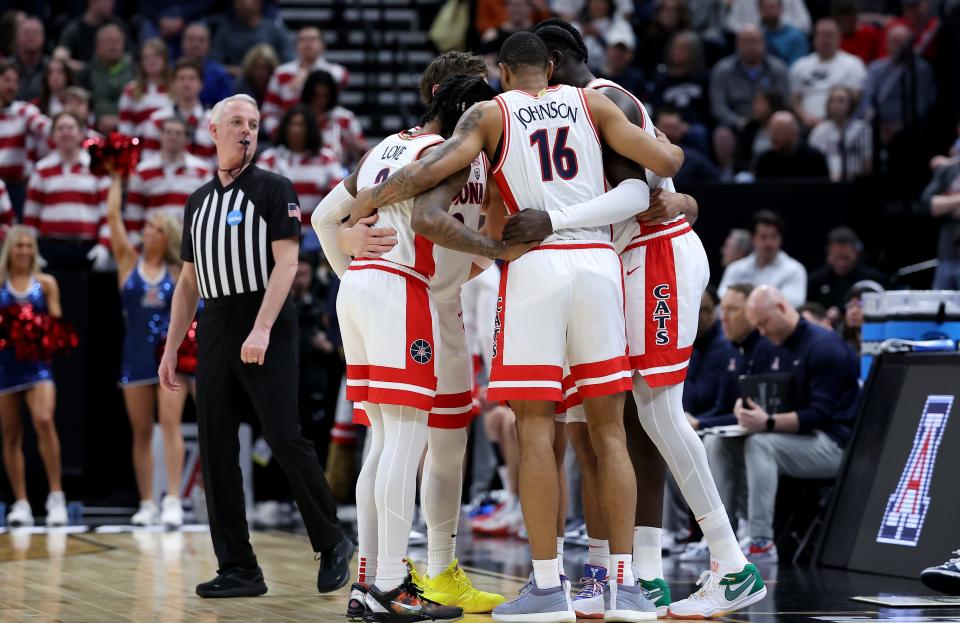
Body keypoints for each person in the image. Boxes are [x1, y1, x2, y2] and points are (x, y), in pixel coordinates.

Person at [347, 30, 691, 622]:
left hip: (536, 265)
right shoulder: (596, 103)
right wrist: (659, 145)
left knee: (535, 429)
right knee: (610, 431)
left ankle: (548, 588)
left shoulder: (490, 113)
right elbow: (666, 163)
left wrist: (369, 198)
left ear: (504, 72)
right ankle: (626, 588)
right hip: (600, 264)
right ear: (552, 66)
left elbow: (429, 175)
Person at [527, 19, 764, 619]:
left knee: (658, 410)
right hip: (630, 259)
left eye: (531, 72)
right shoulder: (593, 102)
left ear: (552, 63)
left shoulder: (602, 102)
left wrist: (552, 223)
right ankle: (648, 576)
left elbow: (641, 196)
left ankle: (732, 564)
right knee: (633, 419)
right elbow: (669, 184)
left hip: (657, 252)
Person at [315, 73, 505, 622]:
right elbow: (337, 220)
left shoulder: (388, 146)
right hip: (402, 291)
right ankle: (393, 582)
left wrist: (352, 269)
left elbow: (327, 215)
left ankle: (372, 580)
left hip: (369, 292)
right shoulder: (443, 154)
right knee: (403, 440)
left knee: (384, 443)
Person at [157, 93, 352, 598]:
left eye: (255, 123)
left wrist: (262, 328)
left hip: (265, 315)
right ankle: (239, 567)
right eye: (238, 123)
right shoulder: (196, 201)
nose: (248, 130)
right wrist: (171, 347)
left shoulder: (273, 187)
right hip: (217, 323)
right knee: (217, 448)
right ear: (214, 130)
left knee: (285, 436)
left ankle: (332, 542)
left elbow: (286, 264)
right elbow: (186, 283)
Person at [707, 285, 859, 562]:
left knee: (760, 444)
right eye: (757, 326)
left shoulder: (824, 347)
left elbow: (820, 415)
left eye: (764, 323)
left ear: (781, 307)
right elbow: (764, 395)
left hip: (835, 445)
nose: (762, 332)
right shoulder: (774, 345)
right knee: (718, 443)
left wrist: (768, 421)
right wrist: (746, 408)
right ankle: (721, 540)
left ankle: (761, 542)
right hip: (795, 438)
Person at [105, 166, 187, 527]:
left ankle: (172, 499)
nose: (146, 232)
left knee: (169, 423)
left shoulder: (177, 269)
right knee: (140, 430)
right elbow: (113, 220)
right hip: (135, 356)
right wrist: (115, 178)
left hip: (169, 357)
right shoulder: (128, 263)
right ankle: (147, 502)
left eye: (154, 228)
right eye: (147, 227)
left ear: (165, 235)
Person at [0, 226, 68, 527]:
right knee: (11, 432)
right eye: (19, 246)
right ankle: (21, 502)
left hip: (38, 363)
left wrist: (31, 325)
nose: (24, 251)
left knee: (43, 419)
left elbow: (56, 323)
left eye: (29, 246)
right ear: (10, 250)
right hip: (5, 364)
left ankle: (56, 497)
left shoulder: (46, 283)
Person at [691, 283, 786, 431]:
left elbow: (756, 413)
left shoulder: (768, 347)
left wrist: (700, 423)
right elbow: (721, 407)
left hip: (765, 428)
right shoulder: (731, 350)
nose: (724, 318)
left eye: (732, 309)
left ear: (751, 313)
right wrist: (697, 422)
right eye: (722, 309)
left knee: (712, 442)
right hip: (739, 427)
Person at [23, 112, 111, 270]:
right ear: (52, 136)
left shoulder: (98, 168)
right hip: (49, 250)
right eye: (60, 128)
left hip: (88, 250)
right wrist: (32, 250)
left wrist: (104, 246)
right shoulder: (41, 169)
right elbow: (31, 217)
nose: (66, 132)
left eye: (70, 127)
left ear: (81, 133)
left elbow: (108, 215)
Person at [256, 105, 342, 251]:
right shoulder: (269, 158)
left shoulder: (327, 158)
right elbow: (257, 196)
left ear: (310, 129)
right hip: (278, 236)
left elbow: (338, 196)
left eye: (301, 125)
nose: (296, 130)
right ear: (285, 128)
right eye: (292, 124)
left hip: (317, 237)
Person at [125, 116, 211, 244]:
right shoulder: (142, 170)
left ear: (187, 138)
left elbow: (208, 211)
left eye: (178, 133)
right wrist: (135, 244)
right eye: (168, 132)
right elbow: (133, 211)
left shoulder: (202, 170)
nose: (173, 137)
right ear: (160, 135)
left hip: (188, 242)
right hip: (153, 242)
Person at [262, 27, 349, 136]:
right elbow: (269, 110)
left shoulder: (335, 71)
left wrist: (307, 73)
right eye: (302, 40)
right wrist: (279, 134)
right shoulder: (281, 73)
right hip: (292, 135)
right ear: (295, 45)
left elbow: (343, 79)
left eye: (312, 40)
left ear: (323, 45)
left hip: (326, 134)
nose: (307, 44)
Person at [858, 24, 936, 145]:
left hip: (910, 129)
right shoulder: (876, 68)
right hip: (878, 129)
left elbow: (923, 104)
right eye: (894, 41)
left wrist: (900, 126)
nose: (897, 46)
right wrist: (876, 124)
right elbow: (866, 98)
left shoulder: (921, 69)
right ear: (887, 43)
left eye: (901, 42)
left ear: (910, 44)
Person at [718, 209, 807, 307]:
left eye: (774, 237)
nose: (769, 243)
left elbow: (790, 306)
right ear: (753, 238)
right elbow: (723, 298)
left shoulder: (794, 270)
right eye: (763, 237)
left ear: (781, 239)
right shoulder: (735, 268)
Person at [709, 25, 789, 131]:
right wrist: (738, 122)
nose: (750, 46)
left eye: (754, 42)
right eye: (746, 42)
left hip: (771, 122)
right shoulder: (722, 70)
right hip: (736, 125)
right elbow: (719, 107)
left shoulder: (778, 69)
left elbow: (784, 100)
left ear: (764, 43)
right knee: (722, 133)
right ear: (737, 44)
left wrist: (770, 120)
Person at [789, 18, 866, 128]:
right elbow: (795, 100)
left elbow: (856, 99)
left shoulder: (854, 64)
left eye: (829, 35)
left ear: (839, 37)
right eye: (820, 35)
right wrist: (805, 117)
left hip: (841, 125)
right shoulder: (800, 65)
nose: (824, 40)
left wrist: (831, 122)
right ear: (814, 38)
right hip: (805, 125)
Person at [139, 59, 216, 167]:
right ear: (173, 84)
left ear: (201, 84)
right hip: (165, 182)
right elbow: (147, 160)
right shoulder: (157, 119)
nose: (186, 83)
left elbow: (219, 163)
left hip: (204, 180)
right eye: (181, 78)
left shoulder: (214, 120)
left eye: (192, 78)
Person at [0, 60, 52, 219]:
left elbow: (46, 127)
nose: (12, 86)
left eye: (16, 81)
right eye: (7, 80)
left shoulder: (24, 110)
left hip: (17, 187)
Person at [683, 288, 740, 416]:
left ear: (710, 312)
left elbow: (701, 400)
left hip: (707, 421)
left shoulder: (725, 347)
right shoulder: (688, 341)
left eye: (695, 311)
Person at [807, 226, 887, 314]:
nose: (842, 263)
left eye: (846, 258)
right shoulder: (814, 281)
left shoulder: (874, 280)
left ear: (856, 253)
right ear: (828, 254)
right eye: (837, 258)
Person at [301, 69, 367, 169]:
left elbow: (363, 150)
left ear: (331, 96)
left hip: (338, 172)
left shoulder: (345, 118)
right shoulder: (299, 117)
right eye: (316, 96)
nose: (320, 101)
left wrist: (356, 147)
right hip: (305, 172)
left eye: (324, 96)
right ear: (308, 94)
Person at [210, 0, 294, 74]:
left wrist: (265, 72)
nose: (241, 2)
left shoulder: (275, 31)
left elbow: (289, 63)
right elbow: (214, 64)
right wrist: (244, 73)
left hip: (268, 83)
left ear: (259, 2)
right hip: (233, 83)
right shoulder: (225, 31)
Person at [808, 85, 872, 181]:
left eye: (841, 100)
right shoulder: (818, 131)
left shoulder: (863, 130)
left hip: (857, 183)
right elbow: (813, 163)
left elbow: (868, 163)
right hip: (825, 182)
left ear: (851, 103)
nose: (836, 105)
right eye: (832, 101)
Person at [80, 23, 135, 134]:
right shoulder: (87, 72)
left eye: (117, 41)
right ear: (97, 47)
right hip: (95, 129)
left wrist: (121, 121)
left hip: (130, 127)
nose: (113, 46)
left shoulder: (135, 70)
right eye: (108, 42)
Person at [54, 0, 131, 73]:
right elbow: (60, 55)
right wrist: (87, 69)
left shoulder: (118, 26)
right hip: (83, 80)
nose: (112, 3)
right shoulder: (75, 29)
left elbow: (129, 56)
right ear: (92, 1)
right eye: (107, 0)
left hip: (114, 76)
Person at [118, 38, 172, 139]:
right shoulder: (131, 89)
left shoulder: (176, 88)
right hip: (140, 147)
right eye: (147, 58)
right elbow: (125, 127)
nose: (151, 61)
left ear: (165, 60)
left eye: (156, 56)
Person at [919, 157, 960, 289]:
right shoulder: (949, 169)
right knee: (940, 307)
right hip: (946, 256)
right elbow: (928, 204)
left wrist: (947, 202)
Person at [755, 111, 830, 178]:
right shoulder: (764, 161)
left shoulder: (815, 159)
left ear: (794, 134)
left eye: (779, 131)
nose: (773, 136)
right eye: (771, 130)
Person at [180, 22, 233, 108]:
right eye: (191, 39)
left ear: (209, 45)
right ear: (182, 42)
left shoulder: (220, 74)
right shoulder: (171, 71)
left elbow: (225, 108)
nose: (195, 44)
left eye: (201, 40)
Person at [760, 0, 809, 66]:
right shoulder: (756, 37)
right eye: (766, 7)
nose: (770, 11)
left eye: (772, 7)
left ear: (781, 9)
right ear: (760, 11)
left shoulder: (796, 37)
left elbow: (797, 67)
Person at [13, 17, 48, 102]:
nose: (31, 36)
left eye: (36, 32)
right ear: (17, 37)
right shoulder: (4, 68)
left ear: (43, 37)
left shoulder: (52, 68)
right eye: (26, 32)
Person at [234, 44, 280, 109]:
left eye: (264, 68)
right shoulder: (242, 83)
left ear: (271, 68)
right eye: (257, 68)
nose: (260, 72)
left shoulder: (277, 82)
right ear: (250, 68)